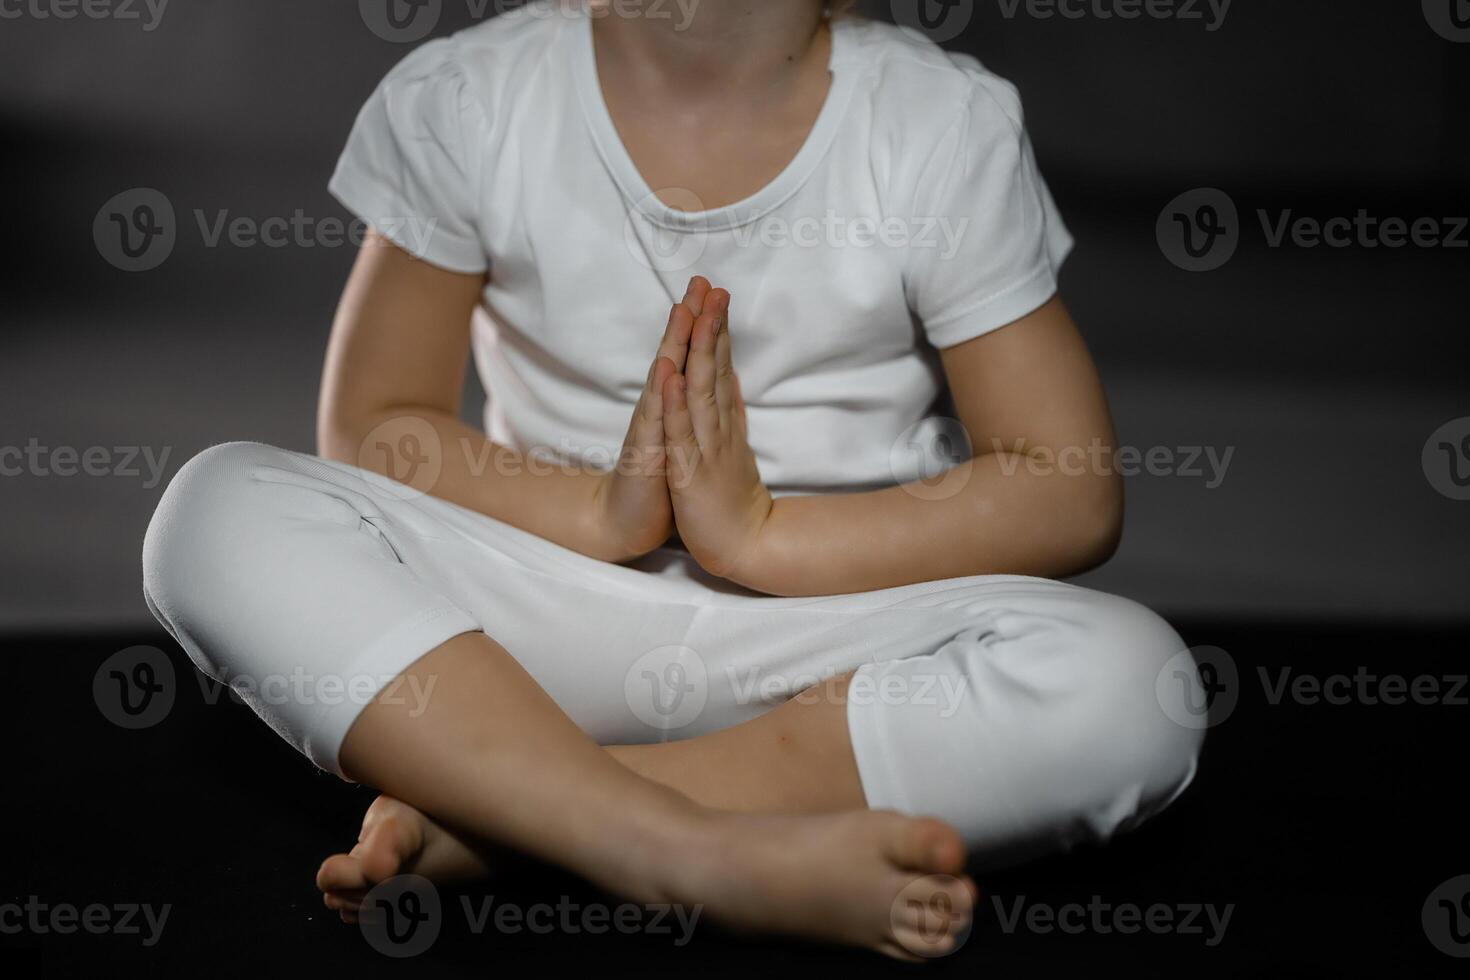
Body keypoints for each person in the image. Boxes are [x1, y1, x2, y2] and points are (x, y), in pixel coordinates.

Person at [142, 0, 1202, 958]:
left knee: (1128, 682)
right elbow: (376, 426)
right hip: (542, 631)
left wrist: (760, 535)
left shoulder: (936, 121)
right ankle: (688, 853)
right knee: (215, 506)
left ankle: (517, 816)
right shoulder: (465, 98)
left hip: (830, 644)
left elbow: (1067, 487)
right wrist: (603, 510)